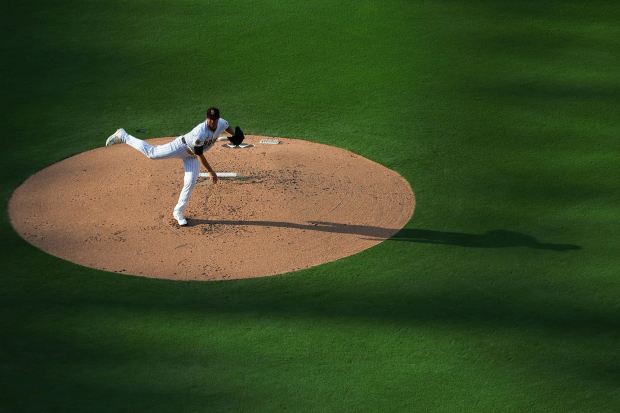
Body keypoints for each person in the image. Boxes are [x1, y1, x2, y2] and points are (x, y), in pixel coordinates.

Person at [105, 107, 239, 226]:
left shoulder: (221, 122)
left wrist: (234, 136)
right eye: (210, 119)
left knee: (190, 182)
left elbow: (227, 126)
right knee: (152, 154)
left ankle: (178, 213)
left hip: (191, 156)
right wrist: (211, 171)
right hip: (180, 147)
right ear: (207, 118)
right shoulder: (200, 133)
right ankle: (123, 135)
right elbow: (200, 155)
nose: (212, 121)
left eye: (214, 119)